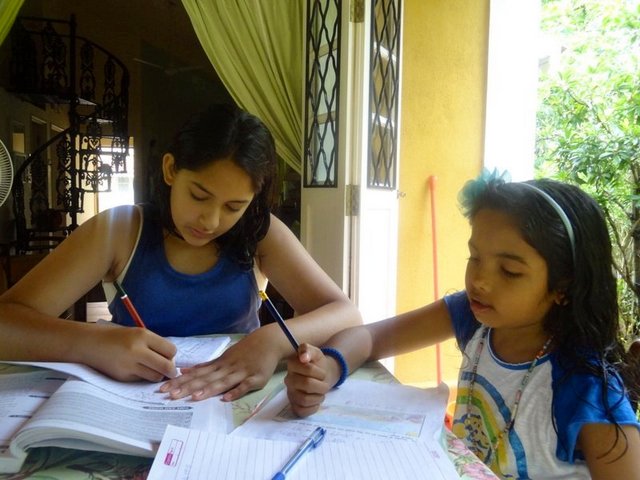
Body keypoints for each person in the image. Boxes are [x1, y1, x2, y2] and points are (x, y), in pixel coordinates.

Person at [284, 171, 640, 478]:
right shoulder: (474, 318)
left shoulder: (586, 390)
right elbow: (370, 336)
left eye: (509, 271)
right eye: (474, 257)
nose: (480, 280)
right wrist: (329, 367)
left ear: (563, 286)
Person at [0, 103, 361, 402]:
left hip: (235, 403)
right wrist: (91, 343)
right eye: (199, 196)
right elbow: (7, 323)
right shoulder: (120, 230)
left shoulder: (259, 232)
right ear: (171, 169)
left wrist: (271, 341)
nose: (211, 220)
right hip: (135, 403)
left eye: (233, 206)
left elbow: (346, 314)